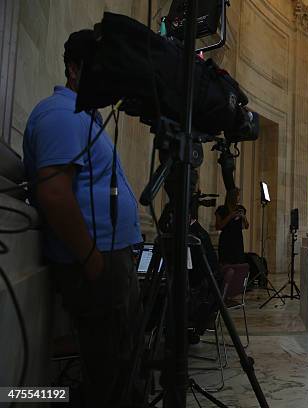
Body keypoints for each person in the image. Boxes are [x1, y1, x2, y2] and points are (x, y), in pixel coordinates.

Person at [22, 30, 143, 407]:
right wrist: (91, 258)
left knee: (124, 360)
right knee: (109, 369)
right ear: (74, 70)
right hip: (94, 262)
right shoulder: (61, 114)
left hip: (109, 257)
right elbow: (54, 194)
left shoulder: (85, 118)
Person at [215, 188, 249, 264]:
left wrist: (244, 217)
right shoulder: (221, 209)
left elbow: (246, 226)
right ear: (233, 197)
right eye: (238, 195)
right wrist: (230, 216)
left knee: (238, 263)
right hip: (226, 241)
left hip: (237, 241)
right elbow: (218, 227)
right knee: (225, 264)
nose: (239, 198)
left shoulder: (241, 208)